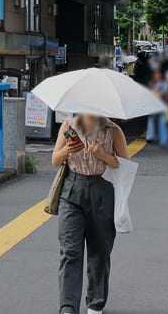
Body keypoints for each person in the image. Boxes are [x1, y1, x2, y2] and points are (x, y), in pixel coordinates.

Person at [52, 113, 130, 314]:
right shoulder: (68, 126)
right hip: (72, 190)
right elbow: (55, 159)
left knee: (100, 252)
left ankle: (95, 304)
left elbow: (125, 165)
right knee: (70, 251)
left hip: (102, 189)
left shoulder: (113, 131)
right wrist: (67, 151)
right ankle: (68, 307)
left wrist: (102, 155)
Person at [144, 68, 165, 144]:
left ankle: (160, 138)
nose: (157, 76)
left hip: (161, 103)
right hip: (153, 103)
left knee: (160, 121)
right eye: (155, 74)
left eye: (158, 74)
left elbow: (164, 93)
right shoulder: (151, 83)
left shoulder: (164, 84)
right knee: (152, 120)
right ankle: (150, 136)